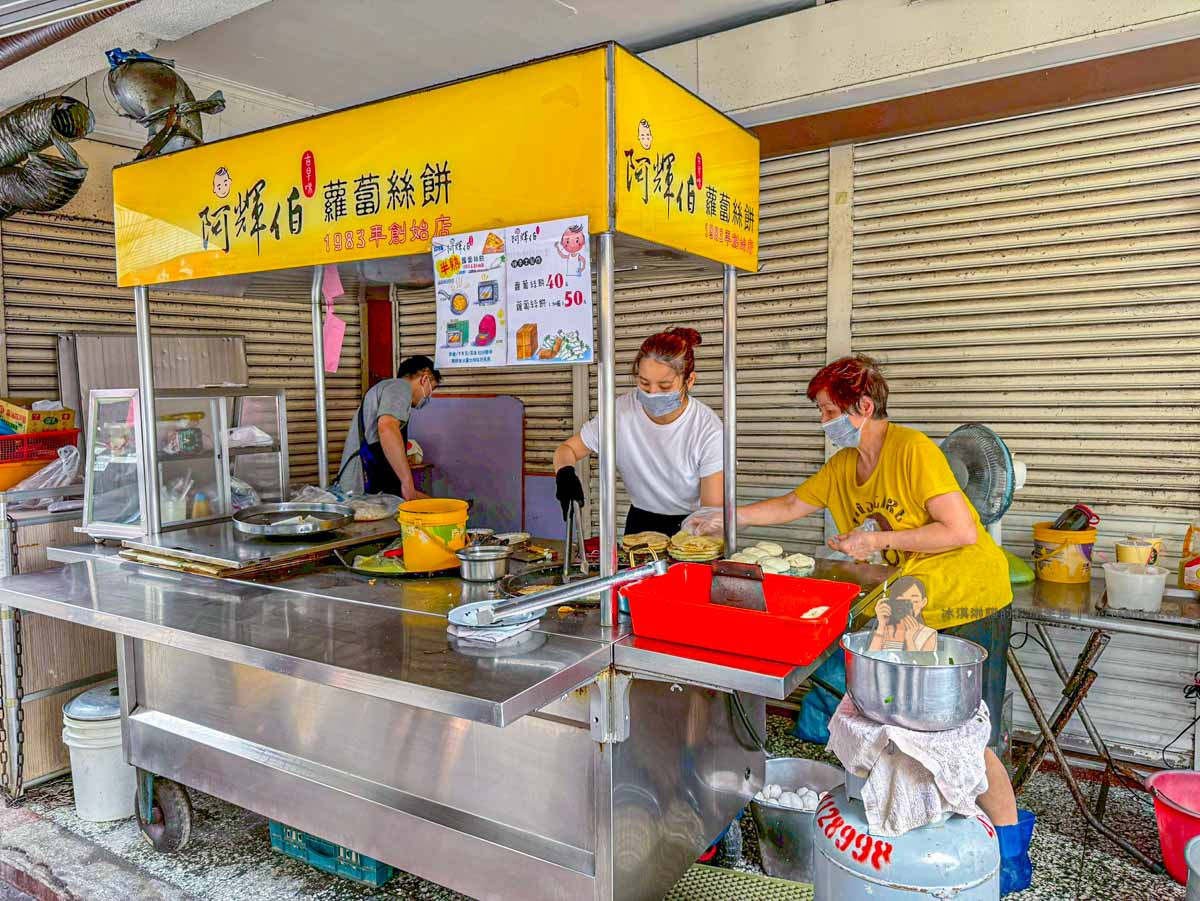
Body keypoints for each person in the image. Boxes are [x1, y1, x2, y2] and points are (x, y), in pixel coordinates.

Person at [690, 354, 1032, 895]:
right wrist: (725, 517)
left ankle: (1010, 855)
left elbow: (962, 531)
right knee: (900, 724)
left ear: (863, 406)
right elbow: (790, 504)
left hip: (970, 597)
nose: (823, 422)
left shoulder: (914, 452)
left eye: (828, 411)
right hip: (913, 600)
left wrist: (876, 541)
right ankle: (912, 830)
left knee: (962, 733)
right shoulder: (844, 469)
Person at [552, 327, 723, 535]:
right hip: (640, 522)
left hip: (692, 525)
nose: (652, 393)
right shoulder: (620, 412)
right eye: (644, 383)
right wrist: (565, 473)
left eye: (665, 385)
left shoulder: (707, 429)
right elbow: (568, 449)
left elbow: (711, 514)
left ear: (690, 380)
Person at [335, 355, 440, 499]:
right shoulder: (401, 387)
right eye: (432, 388)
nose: (429, 396)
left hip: (367, 485)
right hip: (362, 488)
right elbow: (387, 428)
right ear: (424, 378)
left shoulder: (388, 389)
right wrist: (407, 483)